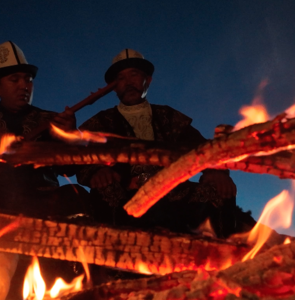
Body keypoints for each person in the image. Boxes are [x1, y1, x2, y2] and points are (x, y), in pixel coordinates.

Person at [0, 41, 89, 300]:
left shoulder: (50, 120)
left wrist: (69, 136)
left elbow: (72, 168)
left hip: (42, 199)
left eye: (28, 79)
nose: (24, 85)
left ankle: (71, 285)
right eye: (14, 79)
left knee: (76, 195)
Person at [78, 49, 255, 239]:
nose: (128, 82)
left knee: (220, 189)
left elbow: (202, 149)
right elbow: (78, 157)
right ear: (114, 87)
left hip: (174, 192)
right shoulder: (101, 123)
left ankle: (219, 261)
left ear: (148, 80)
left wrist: (216, 172)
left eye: (134, 74)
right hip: (127, 193)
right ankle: (114, 266)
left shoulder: (170, 117)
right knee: (105, 193)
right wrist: (97, 171)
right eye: (121, 78)